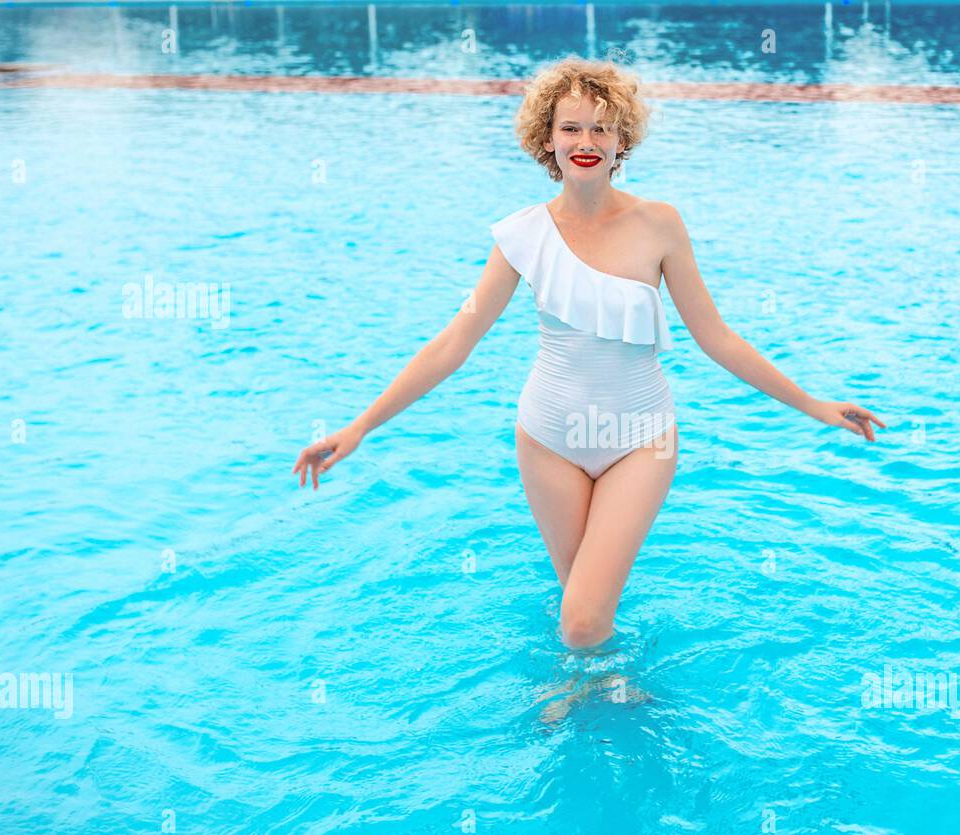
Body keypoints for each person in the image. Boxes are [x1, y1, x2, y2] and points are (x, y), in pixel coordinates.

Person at [292, 57, 885, 652]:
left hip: (640, 438)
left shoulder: (659, 225)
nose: (585, 142)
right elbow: (455, 343)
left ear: (622, 139)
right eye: (570, 128)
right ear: (546, 139)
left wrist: (814, 404)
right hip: (549, 440)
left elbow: (716, 338)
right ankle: (600, 684)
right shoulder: (522, 236)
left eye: (600, 128)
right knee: (583, 608)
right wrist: (360, 426)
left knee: (579, 621)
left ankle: (602, 678)